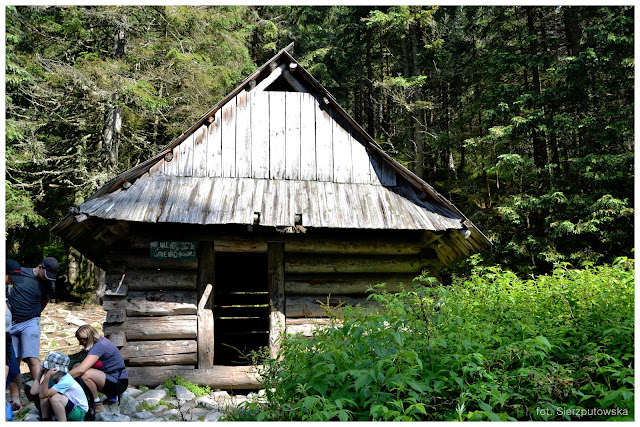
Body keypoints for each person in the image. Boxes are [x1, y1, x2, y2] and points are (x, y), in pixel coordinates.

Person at [7, 257, 58, 411]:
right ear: (40, 266)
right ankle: (15, 400)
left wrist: (33, 314)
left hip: (30, 322)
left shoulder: (49, 284)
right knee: (12, 361)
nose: (48, 278)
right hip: (11, 322)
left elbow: (44, 303)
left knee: (32, 359)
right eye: (46, 273)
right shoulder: (20, 273)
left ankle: (41, 398)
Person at [69, 325, 128, 413]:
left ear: (88, 338)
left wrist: (63, 378)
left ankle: (97, 405)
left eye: (82, 341)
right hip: (110, 378)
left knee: (85, 374)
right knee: (77, 366)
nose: (80, 344)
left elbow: (82, 370)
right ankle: (84, 400)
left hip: (119, 382)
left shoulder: (100, 346)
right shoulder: (97, 342)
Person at [31, 352, 88, 421]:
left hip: (79, 412)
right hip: (69, 408)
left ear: (56, 370)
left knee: (55, 398)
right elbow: (33, 392)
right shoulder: (53, 379)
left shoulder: (66, 380)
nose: (45, 371)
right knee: (45, 392)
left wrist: (47, 377)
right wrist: (40, 374)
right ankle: (46, 419)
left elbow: (42, 395)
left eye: (47, 369)